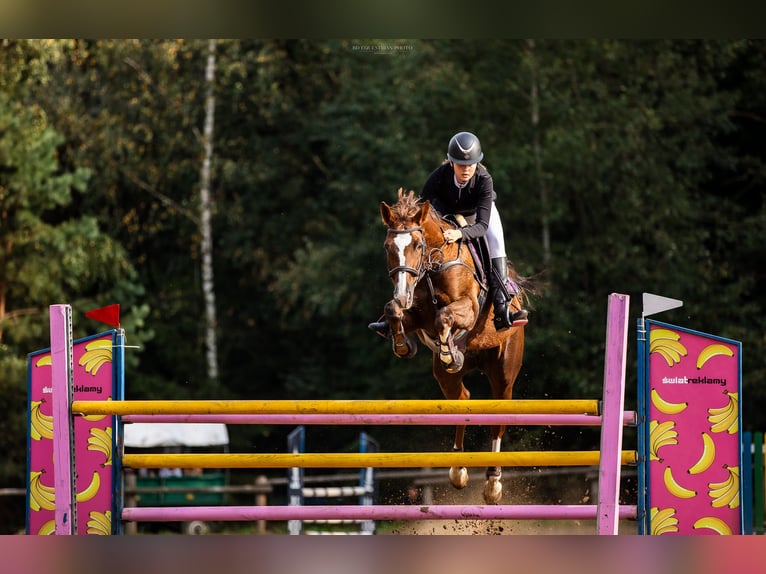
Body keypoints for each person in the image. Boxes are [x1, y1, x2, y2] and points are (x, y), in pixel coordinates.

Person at [369, 131, 528, 336]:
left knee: (496, 243)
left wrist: (460, 235)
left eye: (471, 164)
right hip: (446, 215)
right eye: (461, 164)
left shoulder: (484, 180)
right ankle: (397, 313)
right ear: (451, 162)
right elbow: (420, 208)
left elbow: (481, 226)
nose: (466, 169)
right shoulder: (440, 174)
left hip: (477, 217)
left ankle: (502, 308)